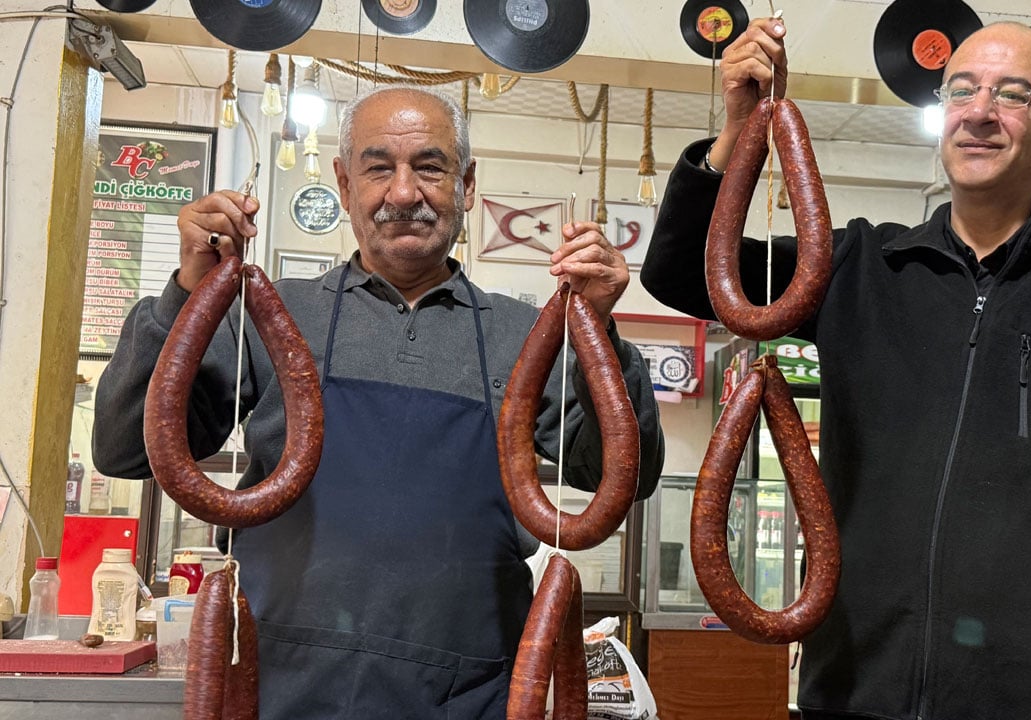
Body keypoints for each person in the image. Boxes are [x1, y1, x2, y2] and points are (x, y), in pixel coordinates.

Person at [640, 2, 1031, 718]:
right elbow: (679, 272)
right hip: (853, 695)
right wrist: (737, 130)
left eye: (1012, 94)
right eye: (962, 89)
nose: (980, 112)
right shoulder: (855, 267)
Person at [93, 85, 664, 719]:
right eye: (377, 168)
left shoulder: (524, 334)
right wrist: (187, 293)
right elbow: (123, 449)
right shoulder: (272, 313)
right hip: (283, 686)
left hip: (468, 692)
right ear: (343, 184)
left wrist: (601, 331)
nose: (403, 193)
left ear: (467, 185)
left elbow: (625, 478)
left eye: (429, 166)